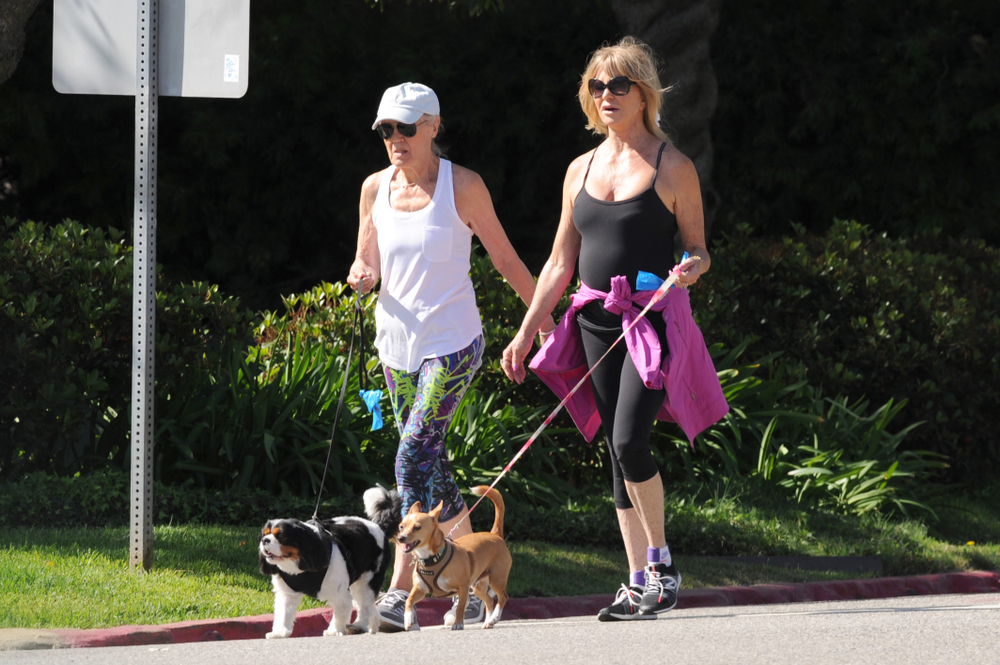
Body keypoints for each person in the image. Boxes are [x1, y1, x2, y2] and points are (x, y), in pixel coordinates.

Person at [501, 38, 728, 621]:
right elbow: (558, 262)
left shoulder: (672, 167)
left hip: (651, 320)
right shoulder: (580, 169)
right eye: (597, 86)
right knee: (614, 448)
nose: (606, 96)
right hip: (594, 319)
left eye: (618, 85)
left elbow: (701, 251)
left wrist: (690, 269)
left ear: (644, 92)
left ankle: (661, 565)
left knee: (630, 439)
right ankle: (634, 580)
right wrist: (527, 334)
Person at [347, 82, 554, 632]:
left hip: (454, 343)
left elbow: (507, 258)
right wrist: (362, 277)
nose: (395, 139)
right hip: (396, 348)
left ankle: (397, 591)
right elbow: (365, 260)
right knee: (432, 464)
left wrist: (545, 324)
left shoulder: (463, 186)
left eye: (406, 128)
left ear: (434, 126)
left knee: (412, 455)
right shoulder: (374, 188)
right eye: (387, 129)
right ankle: (474, 570)